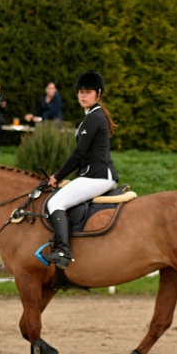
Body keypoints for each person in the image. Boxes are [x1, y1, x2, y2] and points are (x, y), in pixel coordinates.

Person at [40, 71, 118, 270]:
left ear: (98, 94)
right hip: (94, 174)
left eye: (88, 92)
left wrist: (58, 176)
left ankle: (64, 252)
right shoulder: (92, 116)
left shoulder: (93, 118)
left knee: (55, 202)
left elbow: (79, 153)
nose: (83, 96)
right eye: (80, 92)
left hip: (98, 176)